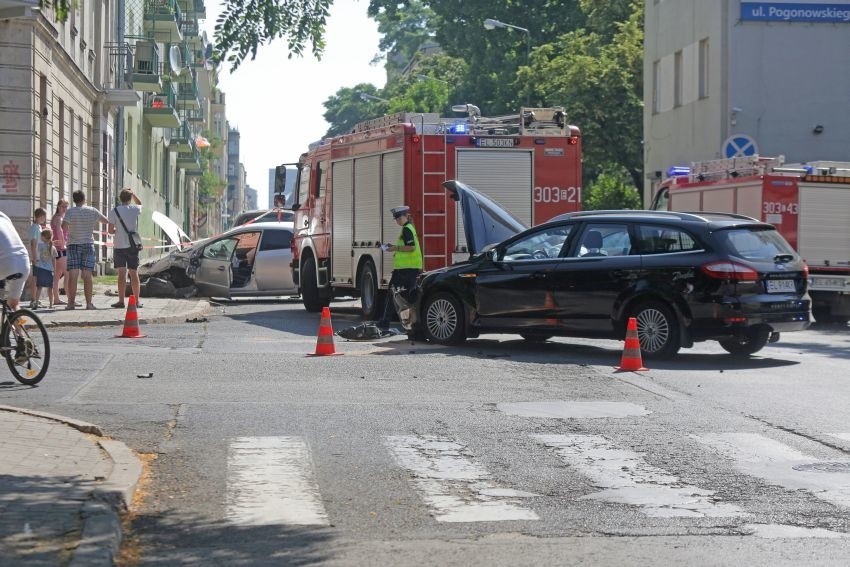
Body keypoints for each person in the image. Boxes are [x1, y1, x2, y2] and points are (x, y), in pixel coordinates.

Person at [62, 190, 112, 310]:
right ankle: (89, 304)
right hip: (88, 245)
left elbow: (63, 227)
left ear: (74, 200)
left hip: (73, 245)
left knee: (73, 275)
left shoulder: (70, 212)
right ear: (84, 199)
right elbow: (106, 221)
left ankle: (71, 303)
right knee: (87, 275)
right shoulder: (92, 211)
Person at [376, 205, 423, 331]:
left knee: (393, 294)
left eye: (398, 218)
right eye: (395, 218)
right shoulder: (409, 228)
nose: (396, 220)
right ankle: (413, 324)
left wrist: (395, 248)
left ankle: (385, 322)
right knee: (408, 296)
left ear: (404, 216)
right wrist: (393, 246)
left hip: (404, 270)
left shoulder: (407, 229)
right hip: (410, 268)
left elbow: (411, 247)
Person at [107, 188, 143, 308]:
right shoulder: (134, 209)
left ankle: (121, 301)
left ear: (120, 198)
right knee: (134, 273)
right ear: (130, 198)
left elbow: (110, 231)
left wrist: (117, 230)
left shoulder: (114, 211)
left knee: (121, 273)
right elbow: (140, 204)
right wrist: (134, 195)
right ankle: (136, 301)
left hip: (119, 245)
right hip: (133, 245)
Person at [0, 210, 31, 311]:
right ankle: (20, 326)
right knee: (14, 305)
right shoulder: (4, 216)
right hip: (23, 261)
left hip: (5, 263)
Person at [50, 198, 69, 306]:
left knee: (57, 275)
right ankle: (70, 297)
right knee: (68, 273)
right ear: (58, 206)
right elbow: (59, 232)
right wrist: (63, 244)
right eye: (63, 206)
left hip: (58, 248)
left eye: (66, 206)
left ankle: (56, 298)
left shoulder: (58, 217)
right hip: (61, 249)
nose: (64, 209)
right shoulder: (58, 218)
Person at [27, 207, 47, 308]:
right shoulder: (35, 227)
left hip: (39, 257)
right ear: (40, 216)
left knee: (38, 279)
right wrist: (35, 258)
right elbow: (33, 243)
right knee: (35, 279)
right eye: (44, 216)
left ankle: (36, 299)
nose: (45, 219)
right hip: (37, 258)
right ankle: (33, 300)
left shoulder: (38, 227)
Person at [33, 228, 57, 309]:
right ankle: (50, 305)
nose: (40, 238)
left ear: (43, 237)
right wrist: (54, 270)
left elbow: (37, 256)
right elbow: (54, 260)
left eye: (41, 236)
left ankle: (36, 303)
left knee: (39, 287)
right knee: (50, 288)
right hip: (49, 270)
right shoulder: (53, 248)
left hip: (40, 269)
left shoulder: (39, 246)